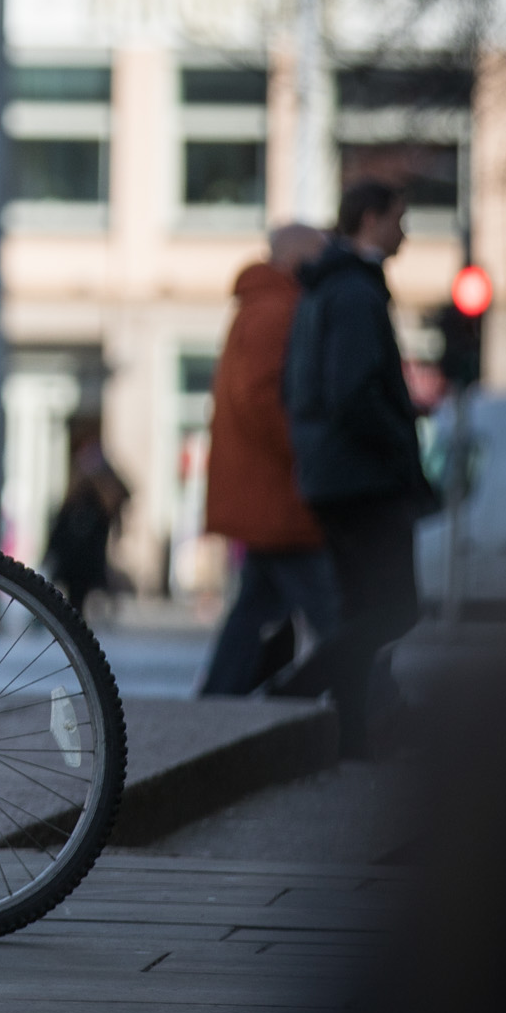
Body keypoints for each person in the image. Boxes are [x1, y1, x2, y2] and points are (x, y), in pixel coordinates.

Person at [278, 180, 439, 758]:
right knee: (395, 607)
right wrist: (400, 446)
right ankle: (292, 695)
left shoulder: (327, 288)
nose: (405, 232)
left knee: (360, 609)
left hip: (334, 476)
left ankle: (350, 734)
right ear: (370, 218)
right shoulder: (353, 292)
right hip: (363, 479)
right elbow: (353, 391)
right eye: (400, 218)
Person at [197, 224, 342, 695]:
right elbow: (262, 401)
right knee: (336, 615)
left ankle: (216, 706)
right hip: (280, 496)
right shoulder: (276, 309)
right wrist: (309, 455)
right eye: (319, 252)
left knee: (254, 613)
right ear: (297, 257)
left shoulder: (265, 306)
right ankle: (376, 706)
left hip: (268, 495)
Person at [43, 423, 132, 614]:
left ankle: (79, 625)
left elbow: (119, 498)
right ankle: (76, 623)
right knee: (76, 592)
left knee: (82, 589)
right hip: (76, 547)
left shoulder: (101, 477)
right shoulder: (81, 479)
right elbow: (64, 514)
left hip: (89, 546)